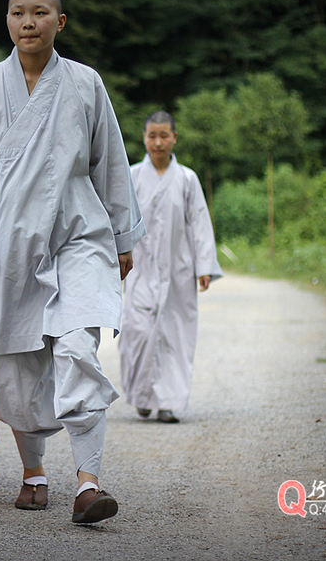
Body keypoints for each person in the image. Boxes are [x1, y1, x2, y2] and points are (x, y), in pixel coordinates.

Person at [0, 0, 145, 524]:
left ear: (60, 21)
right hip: (8, 244)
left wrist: (121, 238)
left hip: (79, 234)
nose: (29, 22)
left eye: (40, 13)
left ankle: (88, 483)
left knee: (77, 347)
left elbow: (110, 164)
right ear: (7, 22)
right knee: (17, 365)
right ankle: (34, 471)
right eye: (18, 13)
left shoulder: (84, 83)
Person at [118, 111, 222, 424]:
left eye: (164, 135)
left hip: (178, 270)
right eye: (152, 136)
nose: (158, 142)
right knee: (138, 331)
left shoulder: (187, 179)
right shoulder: (132, 176)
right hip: (141, 268)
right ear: (144, 138)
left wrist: (203, 265)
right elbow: (120, 219)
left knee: (175, 333)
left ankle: (168, 402)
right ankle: (142, 396)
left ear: (175, 137)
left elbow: (199, 224)